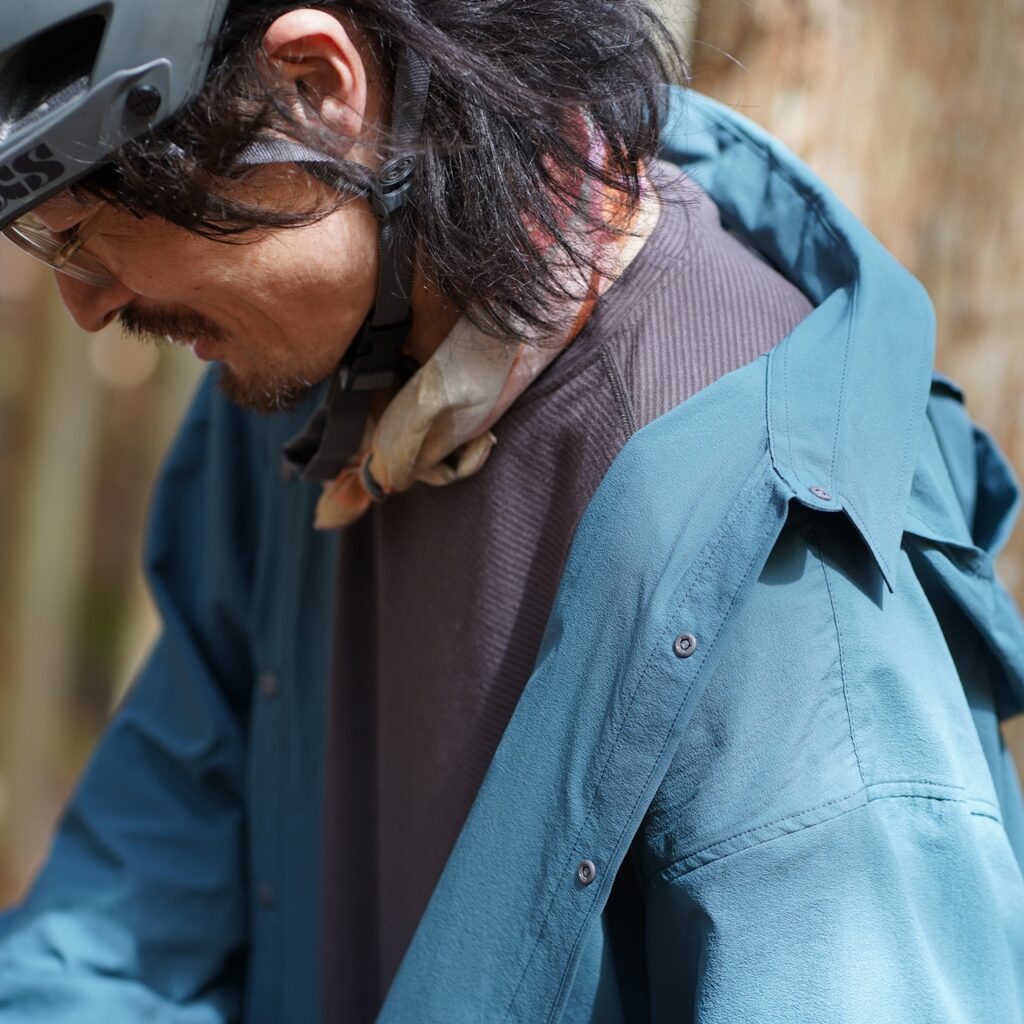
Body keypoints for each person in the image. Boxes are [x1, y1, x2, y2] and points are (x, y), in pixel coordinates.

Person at [1, 1, 1023, 1022]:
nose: (84, 305)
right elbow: (128, 906)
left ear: (311, 89)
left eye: (81, 229)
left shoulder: (776, 575)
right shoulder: (295, 387)